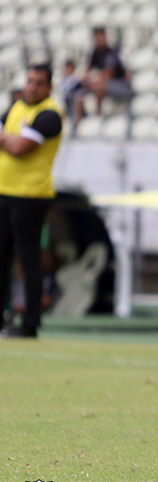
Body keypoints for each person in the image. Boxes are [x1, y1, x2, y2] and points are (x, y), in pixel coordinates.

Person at [0, 64, 64, 338]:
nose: (32, 87)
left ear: (49, 87)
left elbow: (19, 148)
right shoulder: (15, 107)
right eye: (29, 81)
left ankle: (30, 322)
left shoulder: (50, 115)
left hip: (31, 196)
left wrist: (6, 138)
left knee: (29, 259)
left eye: (39, 83)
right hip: (4, 192)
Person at [84, 27, 133, 114]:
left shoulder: (111, 53)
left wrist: (95, 79)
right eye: (97, 37)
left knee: (99, 86)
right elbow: (87, 72)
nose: (99, 40)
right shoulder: (94, 53)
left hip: (119, 83)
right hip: (104, 83)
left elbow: (108, 74)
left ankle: (98, 114)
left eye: (101, 37)